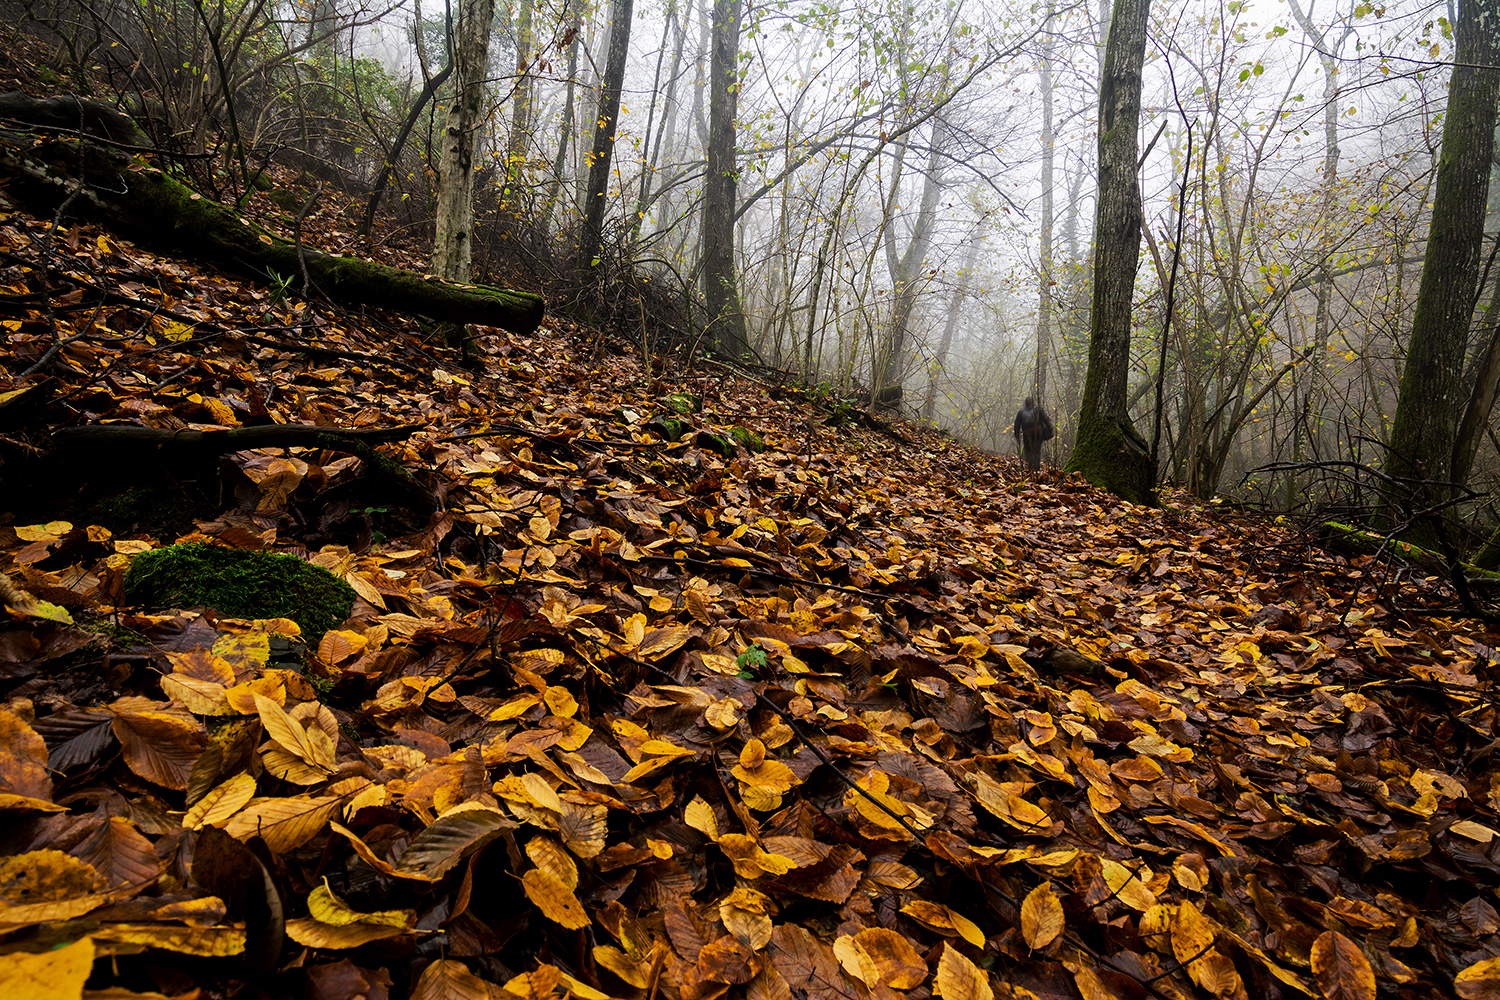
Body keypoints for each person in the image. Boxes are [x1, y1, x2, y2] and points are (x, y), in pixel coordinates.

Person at [1013, 397, 1054, 471]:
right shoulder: (1038, 410)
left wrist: (1017, 436)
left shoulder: (1021, 413)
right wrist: (1050, 430)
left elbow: (1017, 425)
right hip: (1038, 433)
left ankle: (1030, 466)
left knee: (1028, 450)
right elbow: (1046, 420)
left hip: (1026, 434)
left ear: (1025, 404)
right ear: (1034, 402)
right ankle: (1036, 467)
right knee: (1036, 450)